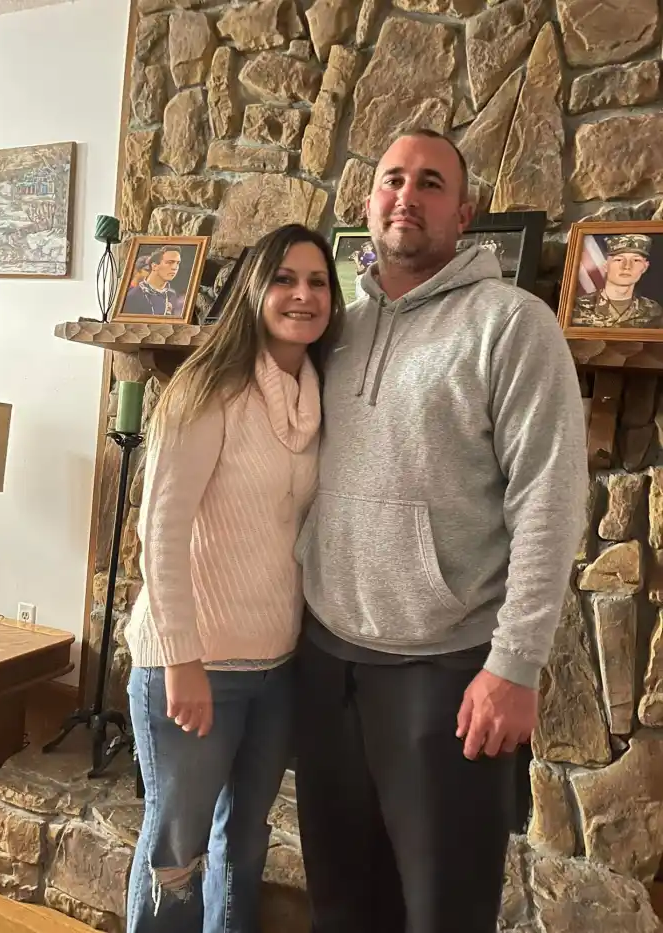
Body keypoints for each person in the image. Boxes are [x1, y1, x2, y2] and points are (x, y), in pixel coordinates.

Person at [294, 129, 589, 933]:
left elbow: (551, 499)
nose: (407, 195)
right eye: (393, 179)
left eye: (430, 183)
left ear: (463, 214)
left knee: (443, 915)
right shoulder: (335, 330)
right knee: (341, 910)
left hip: (448, 675)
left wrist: (515, 664)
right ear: (368, 203)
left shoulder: (513, 325)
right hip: (325, 666)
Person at [123, 224, 345, 933]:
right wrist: (181, 657)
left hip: (277, 666)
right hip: (196, 666)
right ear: (253, 288)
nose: (303, 295)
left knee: (243, 845)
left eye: (318, 281)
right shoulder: (206, 390)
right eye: (284, 278)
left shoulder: (317, 397)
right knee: (176, 852)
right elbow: (160, 531)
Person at [571, 233, 663, 328]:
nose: (627, 266)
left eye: (636, 260)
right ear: (606, 265)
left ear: (645, 267)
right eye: (619, 260)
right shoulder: (577, 307)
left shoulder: (653, 311)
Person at [124, 246, 182, 317]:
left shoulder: (171, 294)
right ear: (154, 266)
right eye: (169, 262)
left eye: (177, 263)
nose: (175, 267)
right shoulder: (133, 296)